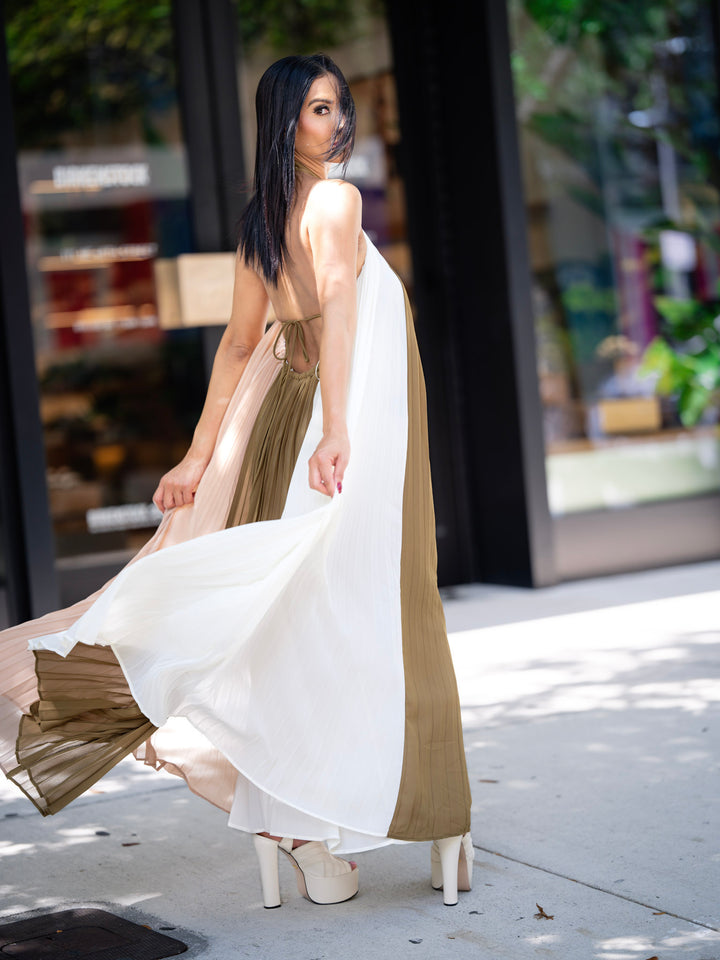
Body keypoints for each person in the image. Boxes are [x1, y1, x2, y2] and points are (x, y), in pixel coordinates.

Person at [0, 53, 473, 909]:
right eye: (318, 110)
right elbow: (333, 302)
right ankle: (330, 820)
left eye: (339, 107)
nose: (337, 123)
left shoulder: (264, 216)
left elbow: (240, 345)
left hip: (282, 424)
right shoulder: (334, 201)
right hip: (338, 428)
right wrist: (335, 432)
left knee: (285, 613)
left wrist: (197, 454)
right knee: (366, 609)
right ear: (285, 120)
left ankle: (291, 825)